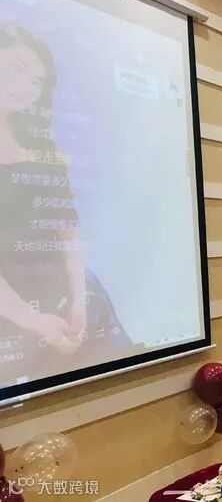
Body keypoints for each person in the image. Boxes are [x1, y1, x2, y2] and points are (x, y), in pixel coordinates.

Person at [0, 23, 128, 384]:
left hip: (69, 299)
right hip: (13, 315)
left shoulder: (43, 147)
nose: (26, 87)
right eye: (17, 69)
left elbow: (67, 233)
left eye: (36, 82)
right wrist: (32, 320)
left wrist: (78, 301)